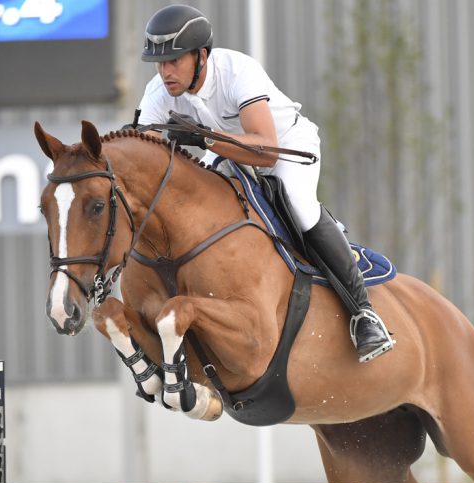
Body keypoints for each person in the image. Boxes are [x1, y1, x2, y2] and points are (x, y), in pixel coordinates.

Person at [135, 4, 393, 362]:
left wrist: (204, 138)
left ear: (201, 56)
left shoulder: (238, 71)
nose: (165, 72)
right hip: (224, 156)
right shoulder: (158, 92)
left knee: (299, 208)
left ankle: (364, 314)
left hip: (286, 148)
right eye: (160, 64)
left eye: (174, 60)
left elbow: (267, 151)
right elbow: (144, 153)